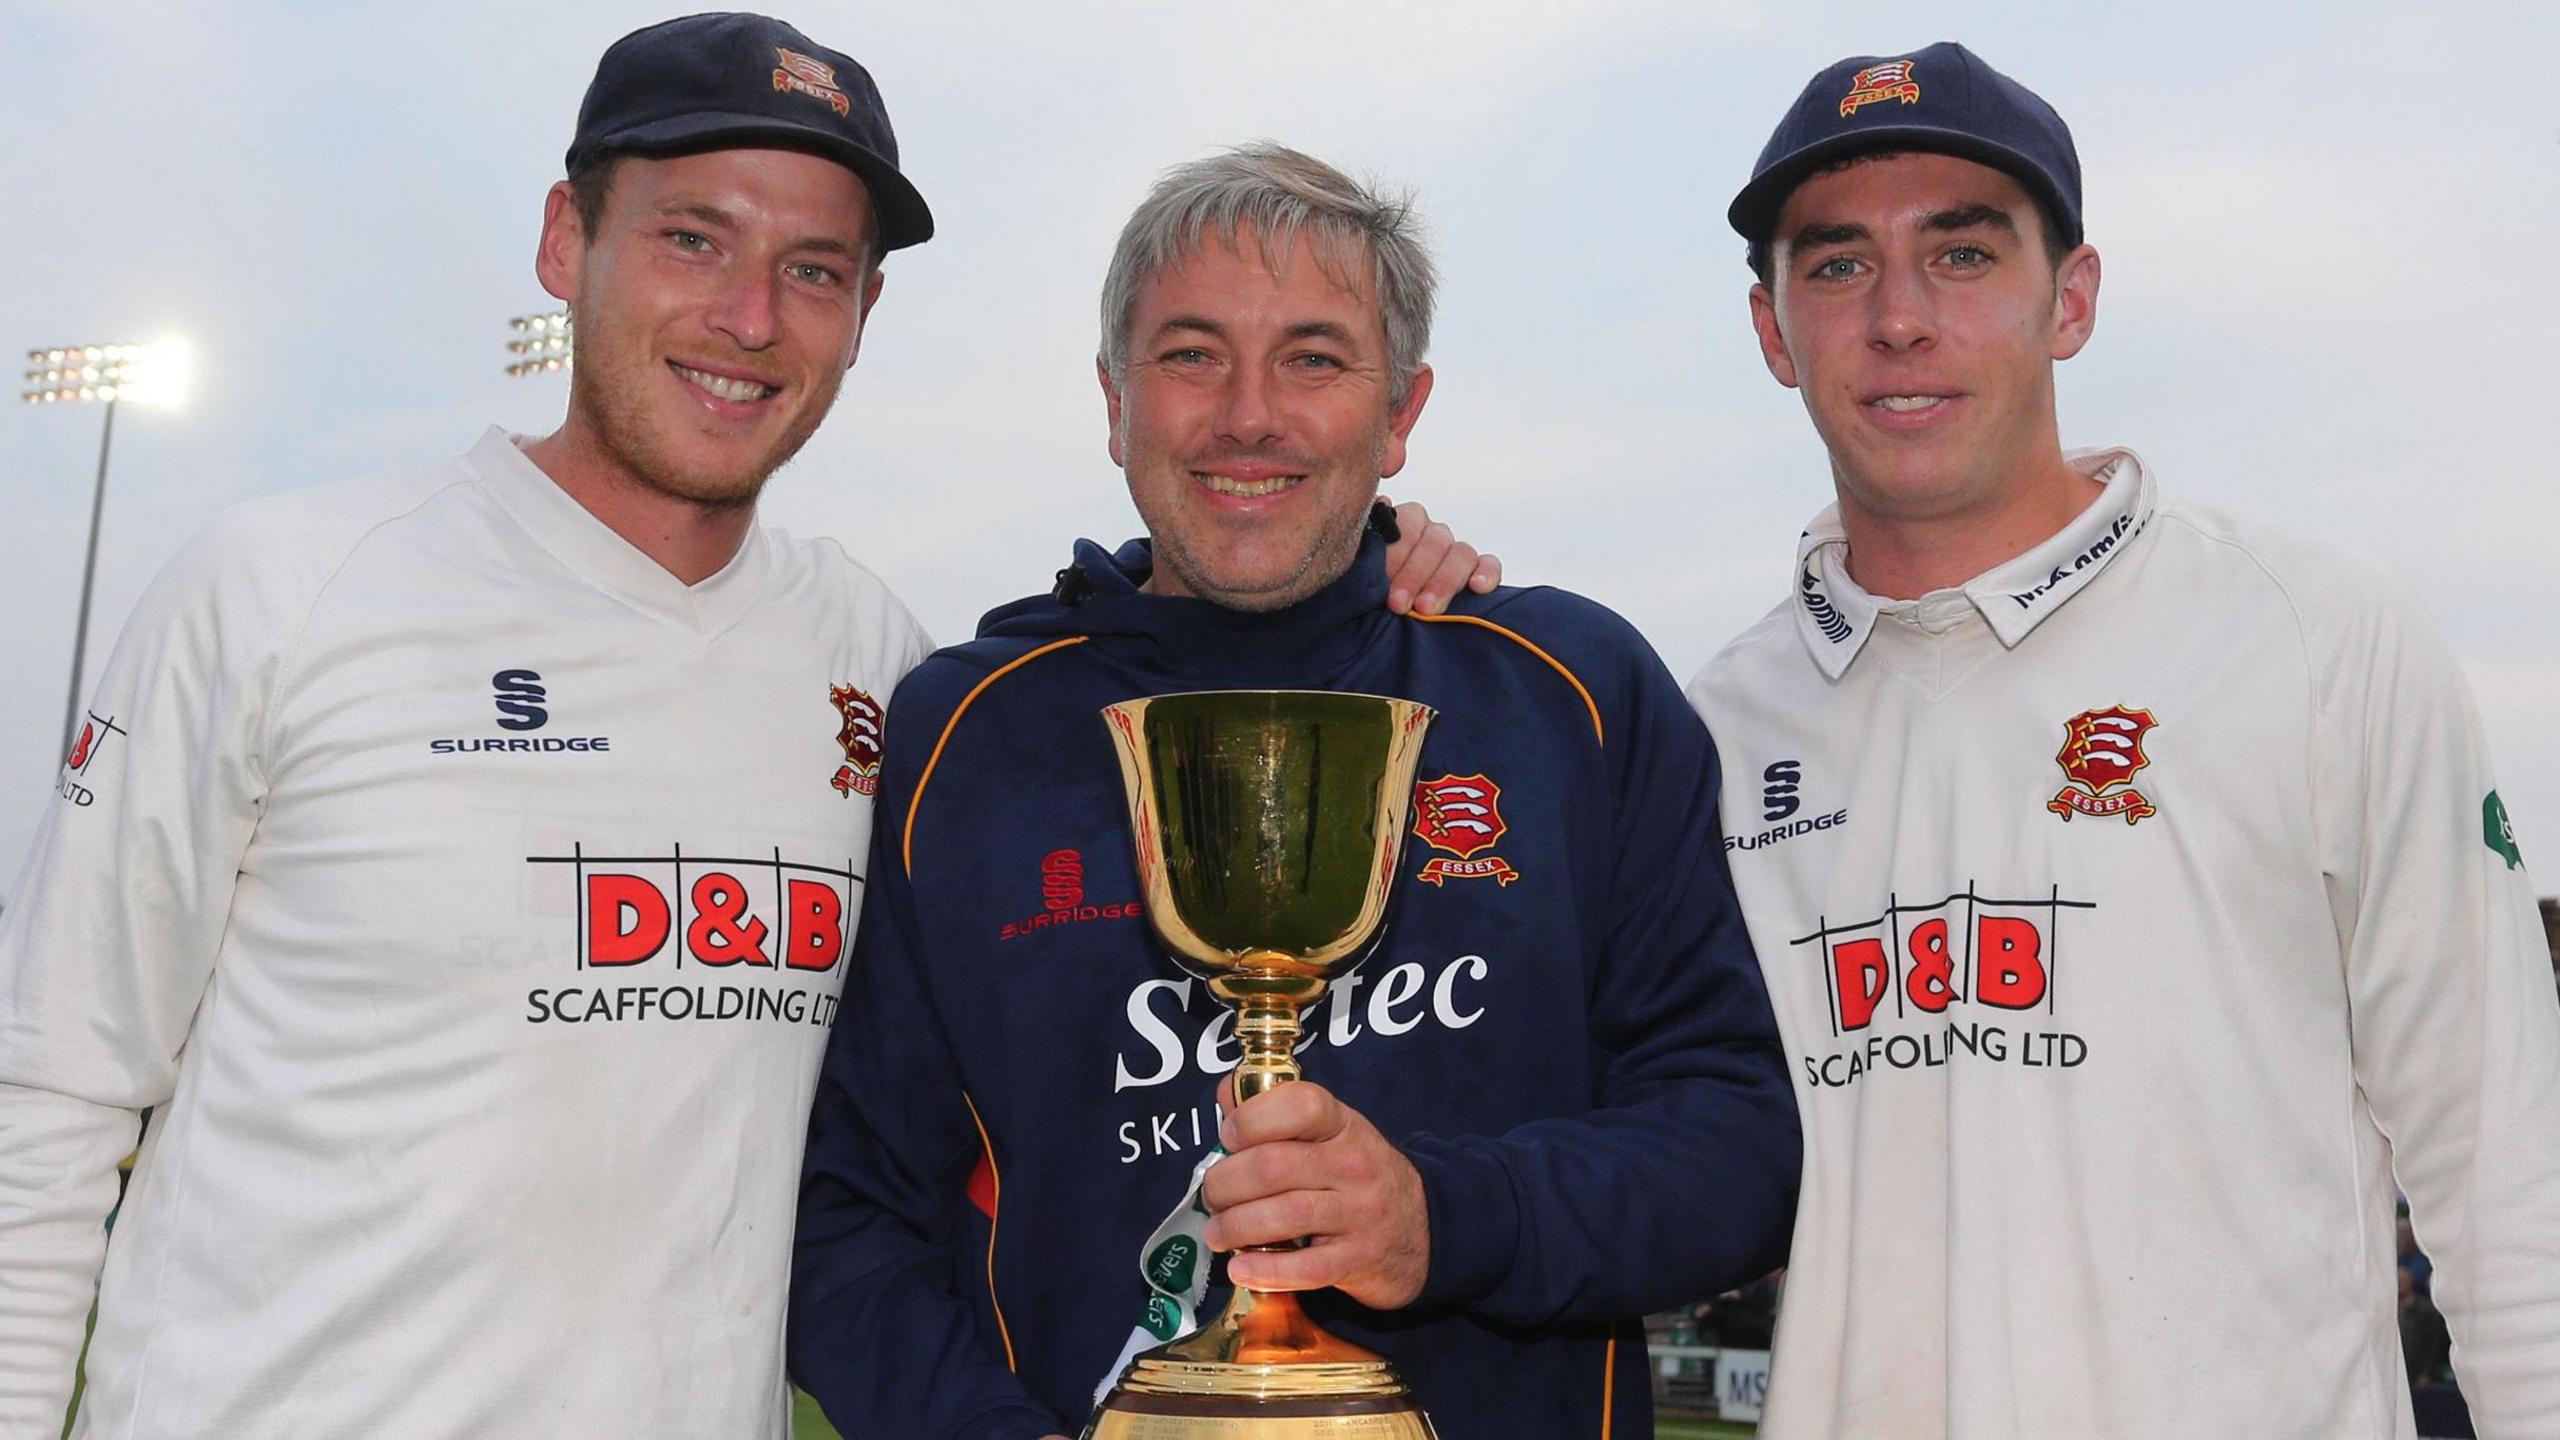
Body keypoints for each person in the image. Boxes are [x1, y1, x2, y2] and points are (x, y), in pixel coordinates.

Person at [0, 19, 1486, 1437]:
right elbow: (49, 1099)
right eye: (692, 238)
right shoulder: (281, 591)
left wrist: (1381, 566)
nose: (750, 318)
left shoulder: (878, 665)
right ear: (565, 241)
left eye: (815, 269)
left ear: (861, 315)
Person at [787, 143, 1800, 1439]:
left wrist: (1445, 1218)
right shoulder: (969, 733)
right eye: (1191, 353)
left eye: (1315, 358)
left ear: (1402, 412)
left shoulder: (1569, 694)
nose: (1249, 414)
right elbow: (851, 1208)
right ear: (1113, 400)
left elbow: (1743, 1139)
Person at [1688, 40, 2560, 1439]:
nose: (1899, 319)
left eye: (1963, 256)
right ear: (1773, 329)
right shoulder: (1716, 727)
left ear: (2071, 300)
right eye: (1839, 265)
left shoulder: (2316, 636)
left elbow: (2509, 1169)